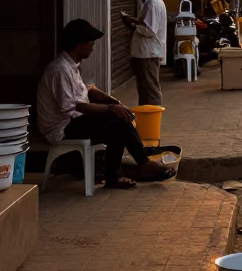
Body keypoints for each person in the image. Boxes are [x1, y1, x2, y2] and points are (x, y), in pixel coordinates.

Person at [36, 20, 177, 189]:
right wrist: (111, 108)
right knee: (116, 121)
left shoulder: (71, 66)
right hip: (61, 127)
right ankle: (141, 164)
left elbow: (88, 90)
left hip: (73, 120)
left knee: (118, 121)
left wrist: (113, 101)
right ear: (79, 44)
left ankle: (119, 174)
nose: (93, 46)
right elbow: (72, 106)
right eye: (91, 42)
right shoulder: (59, 70)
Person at [123, 0, 167, 106]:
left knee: (150, 90)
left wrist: (133, 26)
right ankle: (146, 120)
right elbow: (148, 24)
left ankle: (153, 120)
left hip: (149, 54)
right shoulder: (150, 3)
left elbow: (150, 30)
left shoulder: (153, 4)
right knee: (144, 90)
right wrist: (134, 20)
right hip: (145, 54)